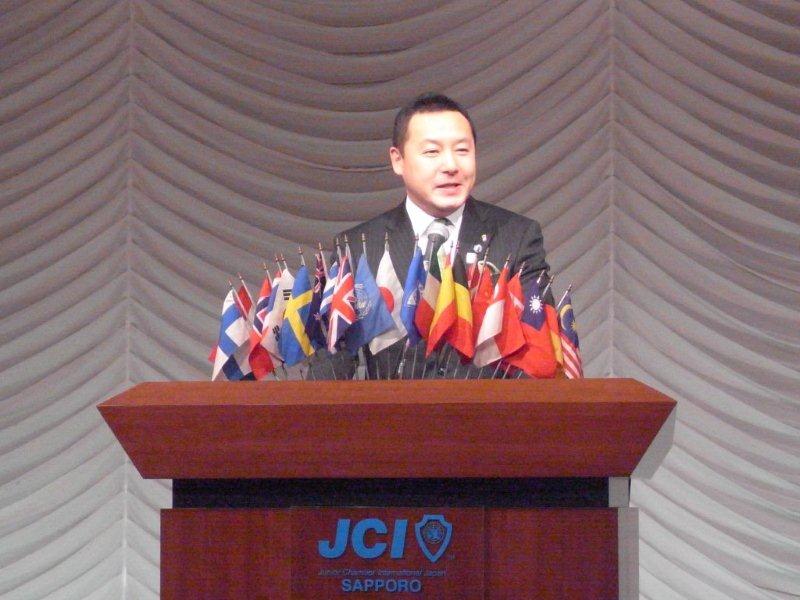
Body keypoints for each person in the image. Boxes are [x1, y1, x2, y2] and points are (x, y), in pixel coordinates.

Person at [323, 92, 550, 379]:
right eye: (432, 152)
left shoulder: (517, 238)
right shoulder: (357, 247)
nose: (451, 166)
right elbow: (330, 367)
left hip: (489, 408)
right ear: (398, 160)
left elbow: (537, 353)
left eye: (462, 150)